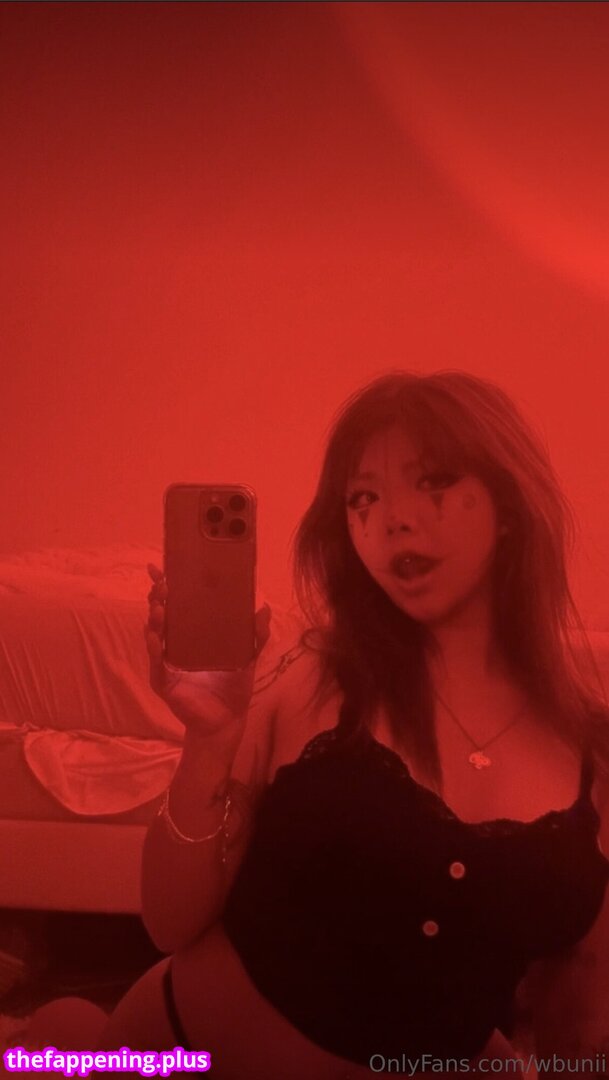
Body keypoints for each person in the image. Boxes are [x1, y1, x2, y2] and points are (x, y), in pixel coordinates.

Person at [99, 370, 609, 1078]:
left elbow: (579, 1007)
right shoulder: (309, 676)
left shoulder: (589, 746)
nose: (392, 518)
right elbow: (169, 921)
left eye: (433, 480)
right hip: (180, 1054)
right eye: (362, 498)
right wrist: (208, 744)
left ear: (508, 506)